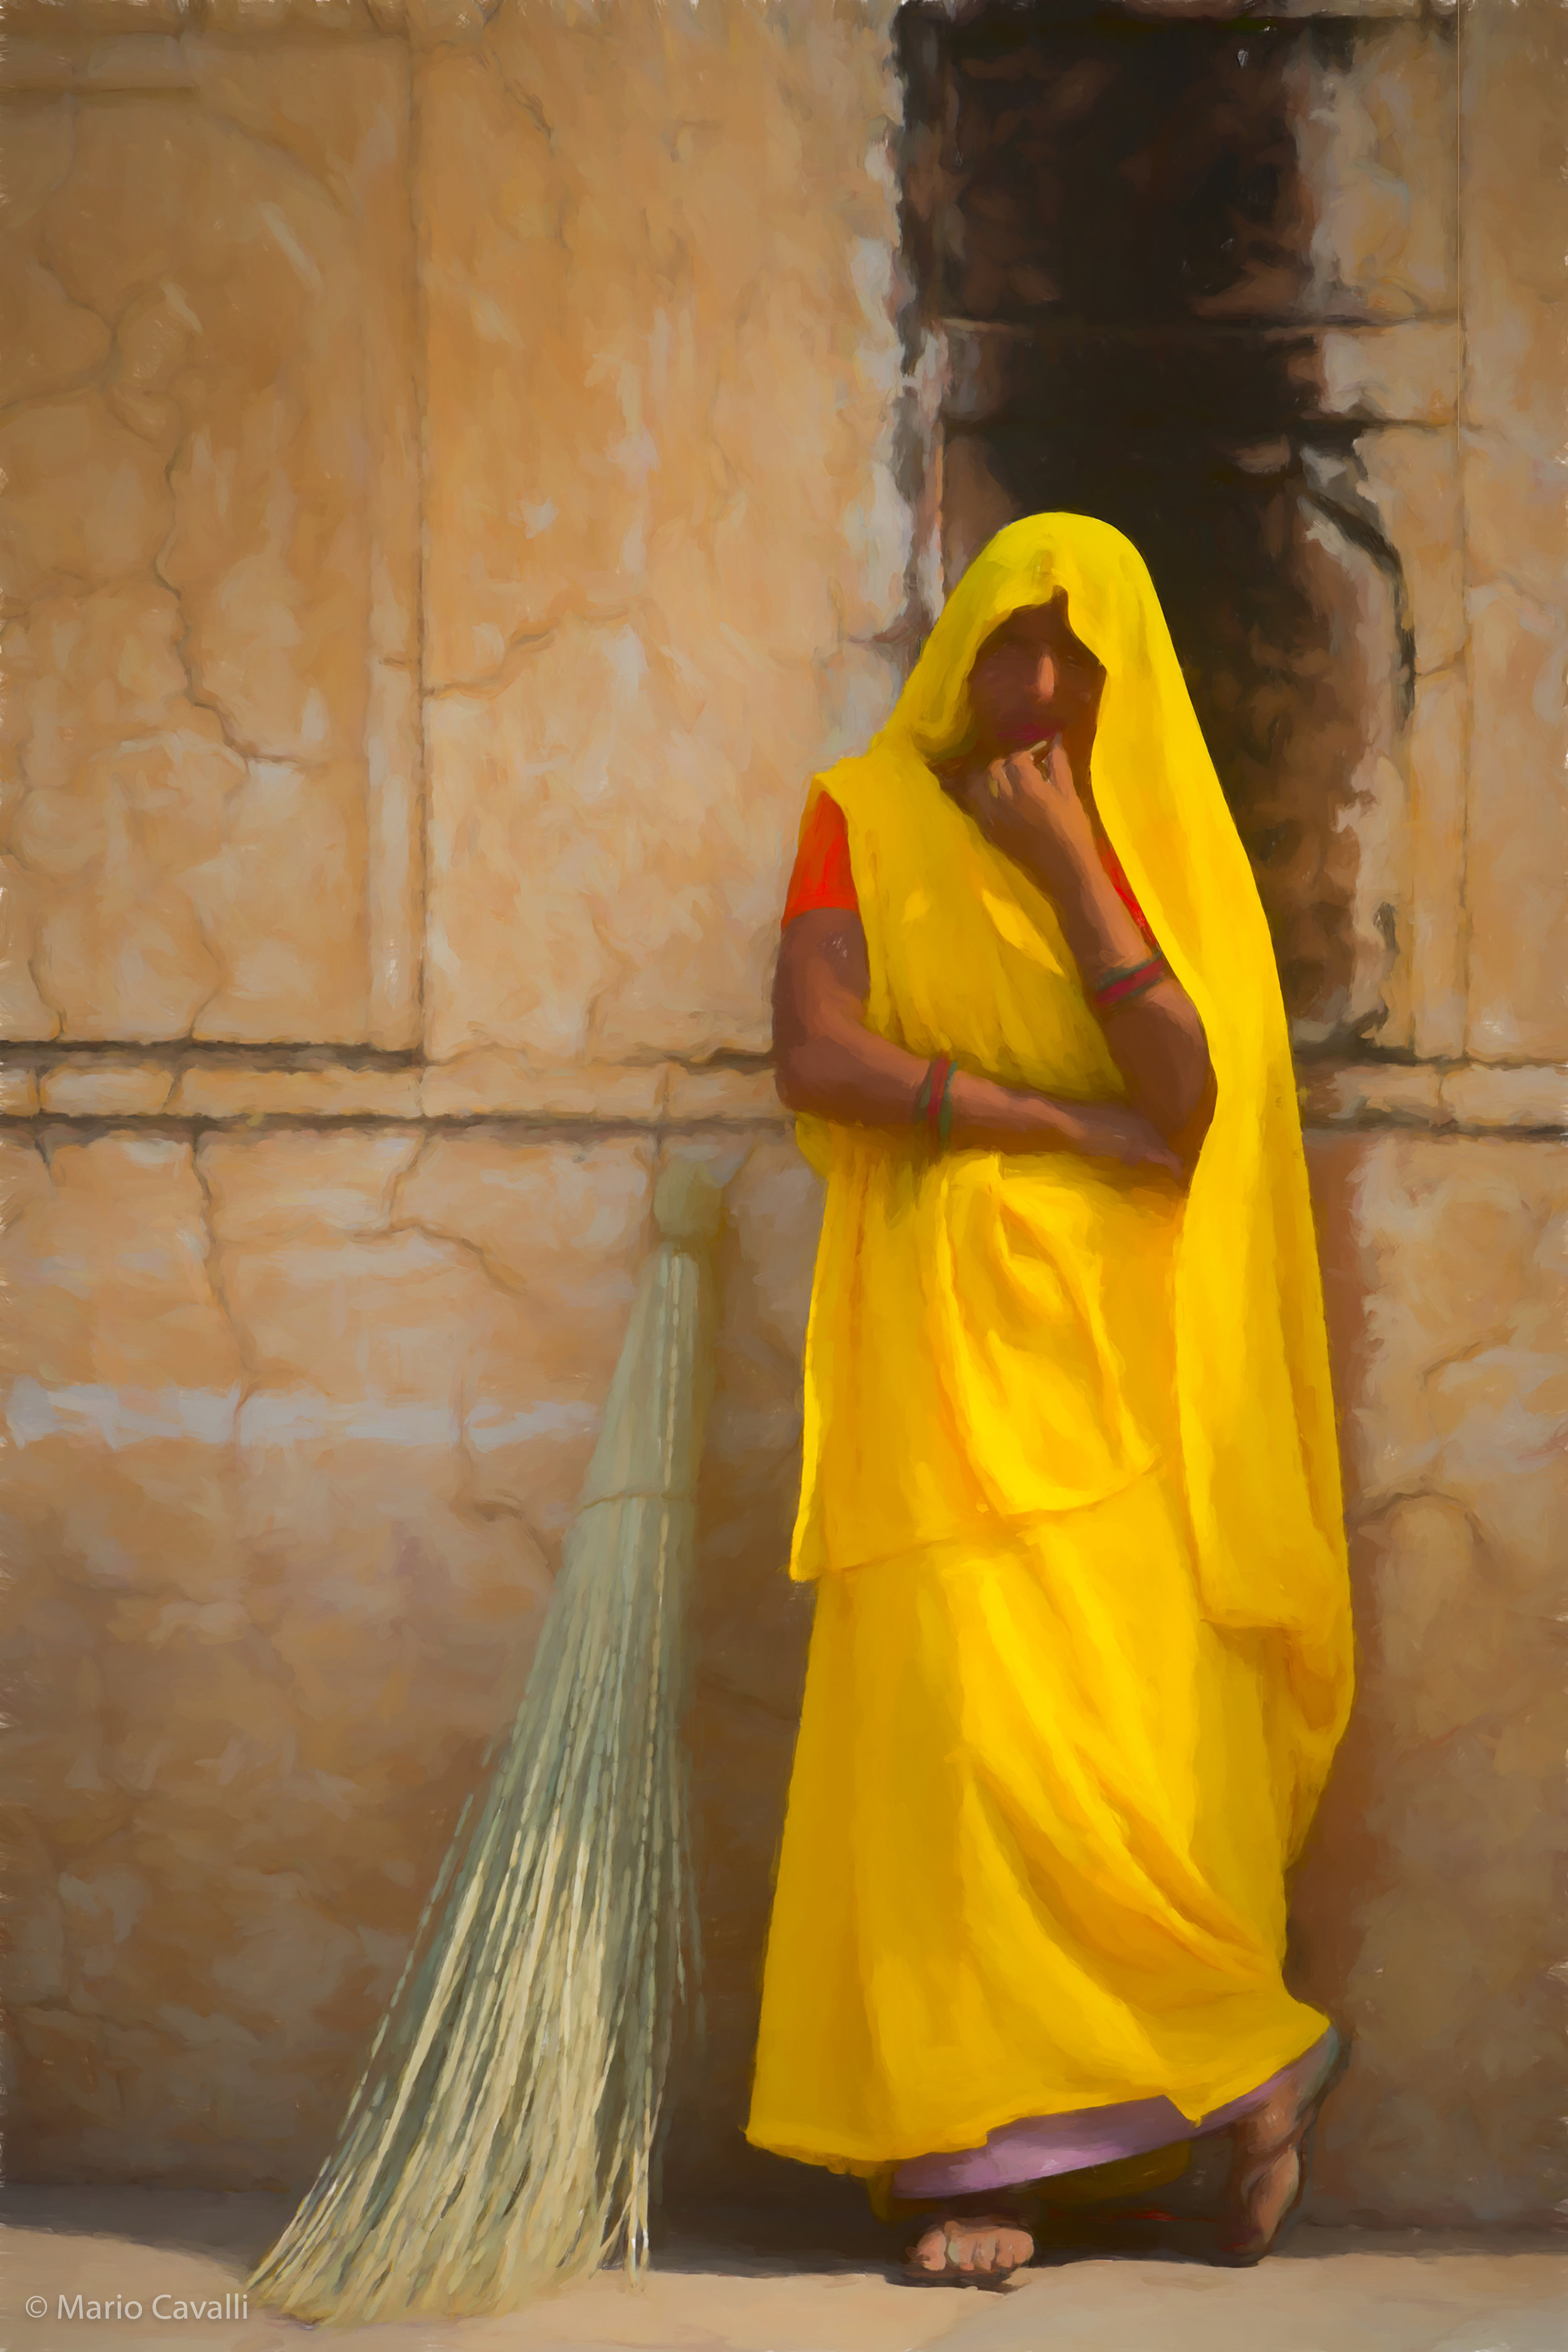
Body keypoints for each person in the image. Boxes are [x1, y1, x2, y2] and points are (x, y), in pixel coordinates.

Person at [743, 512, 1354, 2286]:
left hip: (1132, 1370)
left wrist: (1076, 858)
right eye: (1013, 646)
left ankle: (1233, 2067)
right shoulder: (857, 809)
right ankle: (968, 2167)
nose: (1036, 691)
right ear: (956, 650)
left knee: (1116, 1758)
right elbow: (814, 1049)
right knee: (950, 1745)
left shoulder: (1152, 840)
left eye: (1079, 667)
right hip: (937, 1349)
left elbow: (1188, 1098)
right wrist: (1043, 1121)